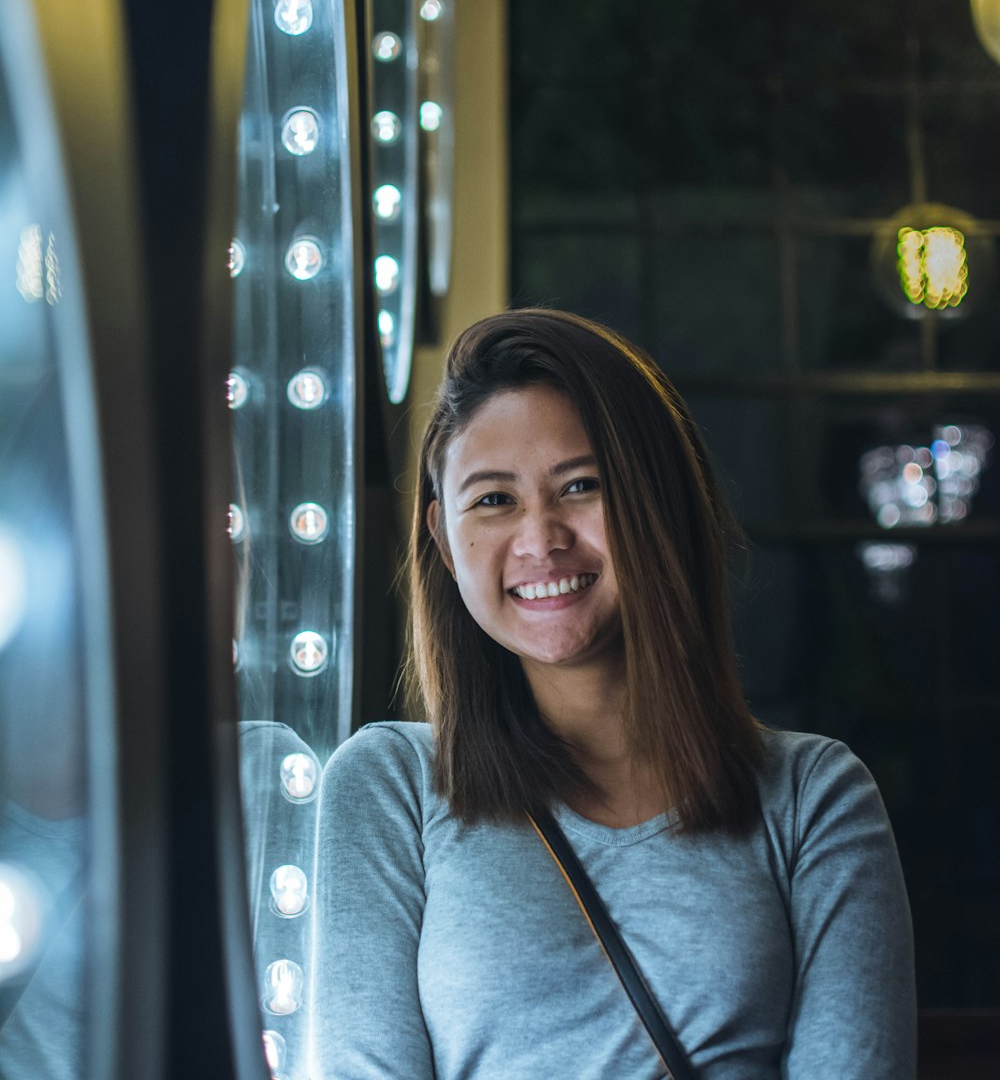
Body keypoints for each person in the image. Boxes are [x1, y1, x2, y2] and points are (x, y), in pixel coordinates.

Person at [314, 309, 916, 1080]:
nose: (541, 539)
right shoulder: (388, 786)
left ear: (656, 501)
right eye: (494, 500)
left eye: (582, 486)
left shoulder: (815, 797)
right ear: (442, 535)